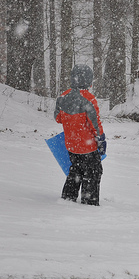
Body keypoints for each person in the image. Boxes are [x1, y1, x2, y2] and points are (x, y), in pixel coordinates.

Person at [54, 64, 106, 206]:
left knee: (75, 169)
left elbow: (58, 119)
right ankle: (89, 202)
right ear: (88, 80)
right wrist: (101, 140)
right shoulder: (89, 99)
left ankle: (68, 197)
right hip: (87, 146)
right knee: (93, 172)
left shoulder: (62, 97)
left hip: (71, 145)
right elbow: (95, 125)